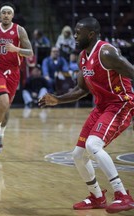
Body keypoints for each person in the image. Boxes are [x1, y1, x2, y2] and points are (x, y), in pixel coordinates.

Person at [39, 17, 134, 214]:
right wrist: (57, 99)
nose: (74, 35)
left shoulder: (106, 52)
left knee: (93, 145)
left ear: (91, 34)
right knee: (78, 155)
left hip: (120, 104)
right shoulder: (83, 56)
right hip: (102, 106)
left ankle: (122, 195)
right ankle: (97, 197)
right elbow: (81, 90)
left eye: (78, 32)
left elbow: (131, 71)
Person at [0, 2, 33, 154]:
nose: (5, 15)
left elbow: (30, 52)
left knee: (5, 107)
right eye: (3, 12)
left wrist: (17, 49)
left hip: (13, 72)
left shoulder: (19, 30)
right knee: (2, 102)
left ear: (12, 15)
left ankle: (0, 133)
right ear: (0, 14)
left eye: (8, 13)